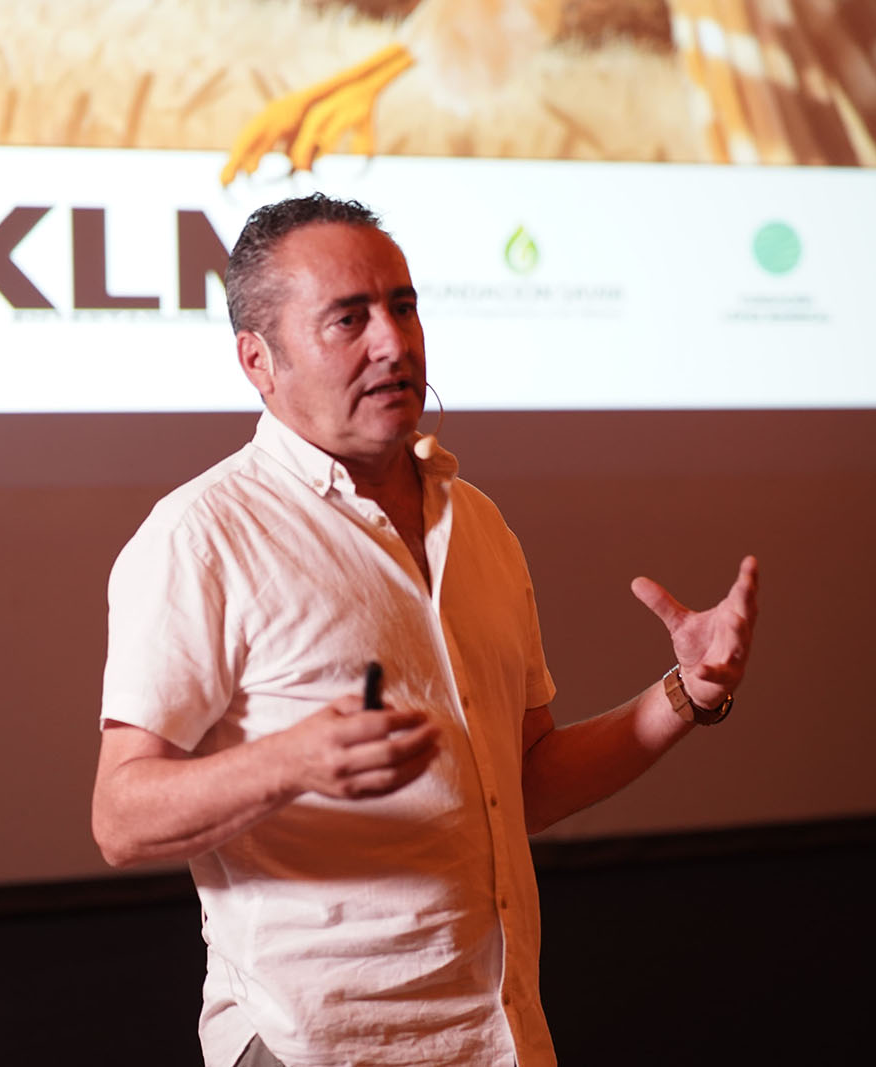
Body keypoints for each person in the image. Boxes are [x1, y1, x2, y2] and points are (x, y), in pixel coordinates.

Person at [91, 193, 758, 1067]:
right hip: (316, 1048)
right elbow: (120, 817)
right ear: (258, 360)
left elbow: (523, 783)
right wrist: (292, 761)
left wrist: (684, 696)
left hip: (499, 1040)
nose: (393, 343)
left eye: (402, 306)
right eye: (349, 319)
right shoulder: (203, 536)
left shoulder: (474, 521)